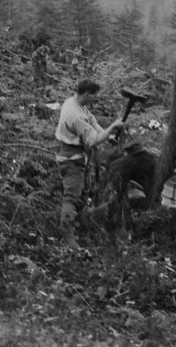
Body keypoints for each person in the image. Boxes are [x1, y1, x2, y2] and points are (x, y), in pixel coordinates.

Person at [53, 78, 125, 247]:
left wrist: (110, 134)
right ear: (86, 94)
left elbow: (92, 122)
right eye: (93, 96)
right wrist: (112, 126)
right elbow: (93, 140)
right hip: (70, 160)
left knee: (82, 195)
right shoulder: (75, 115)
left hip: (78, 158)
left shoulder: (74, 103)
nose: (95, 99)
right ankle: (68, 237)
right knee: (71, 197)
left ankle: (81, 227)